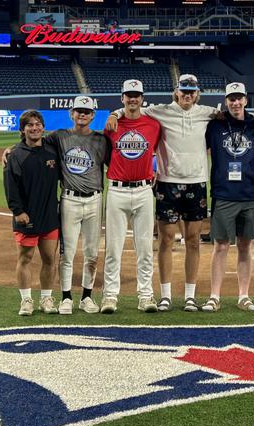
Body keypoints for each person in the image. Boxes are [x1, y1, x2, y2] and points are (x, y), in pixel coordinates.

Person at [106, 74, 217, 312]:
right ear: (176, 91)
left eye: (192, 91)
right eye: (183, 90)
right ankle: (165, 295)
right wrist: (115, 113)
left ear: (197, 93)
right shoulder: (159, 111)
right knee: (165, 240)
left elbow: (232, 114)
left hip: (197, 182)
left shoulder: (207, 112)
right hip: (168, 183)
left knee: (194, 242)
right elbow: (131, 107)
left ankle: (190, 296)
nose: (187, 95)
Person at [202, 82, 254, 312]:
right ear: (226, 100)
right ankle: (214, 296)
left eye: (239, 98)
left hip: (250, 195)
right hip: (224, 195)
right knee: (220, 246)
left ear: (246, 100)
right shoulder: (215, 125)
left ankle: (244, 296)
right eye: (231, 98)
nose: (236, 102)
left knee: (244, 246)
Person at [102, 79, 161, 313]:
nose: (133, 99)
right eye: (129, 95)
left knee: (145, 248)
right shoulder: (111, 126)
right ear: (122, 98)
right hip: (116, 190)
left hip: (144, 190)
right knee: (113, 248)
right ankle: (110, 296)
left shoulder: (154, 125)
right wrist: (114, 115)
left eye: (136, 95)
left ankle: (146, 296)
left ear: (142, 98)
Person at [50, 96, 112, 314]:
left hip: (95, 199)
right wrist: (10, 149)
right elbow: (34, 144)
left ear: (93, 115)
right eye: (79, 111)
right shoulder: (59, 137)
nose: (82, 114)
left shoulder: (102, 140)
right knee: (67, 253)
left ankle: (87, 297)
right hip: (69, 199)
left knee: (92, 253)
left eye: (87, 111)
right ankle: (65, 297)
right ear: (71, 113)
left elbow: (117, 163)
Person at [3, 110, 60, 316]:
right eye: (30, 125)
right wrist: (18, 211)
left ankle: (46, 298)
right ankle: (26, 300)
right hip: (27, 215)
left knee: (49, 259)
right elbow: (10, 185)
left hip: (50, 215)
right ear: (22, 129)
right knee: (25, 257)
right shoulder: (16, 155)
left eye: (38, 124)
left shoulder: (53, 151)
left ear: (43, 127)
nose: (35, 128)